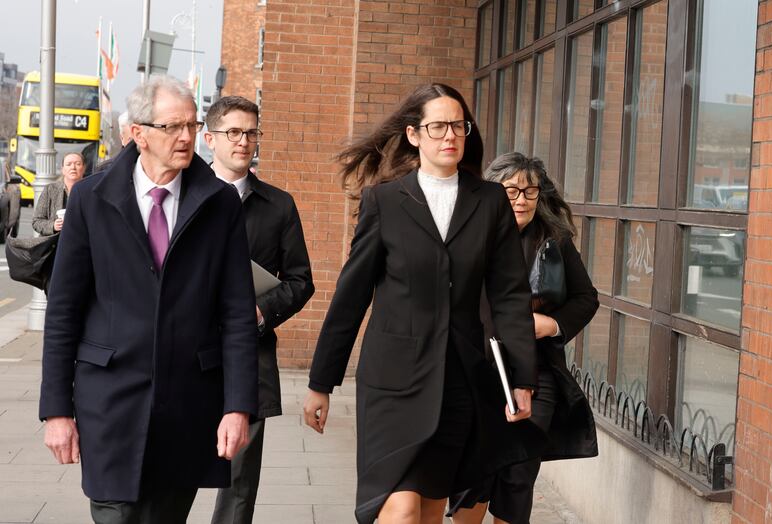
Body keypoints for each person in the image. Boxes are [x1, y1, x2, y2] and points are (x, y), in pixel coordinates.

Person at [303, 83, 544, 524]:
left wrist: (521, 377)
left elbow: (510, 296)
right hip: (392, 382)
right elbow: (351, 296)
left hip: (458, 381)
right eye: (437, 127)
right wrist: (322, 381)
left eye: (458, 125)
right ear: (414, 134)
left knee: (430, 513)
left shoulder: (490, 202)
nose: (449, 135)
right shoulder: (385, 201)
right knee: (400, 513)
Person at [38, 75, 259, 524]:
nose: (186, 137)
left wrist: (238, 407)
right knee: (115, 516)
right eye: (171, 126)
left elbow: (236, 314)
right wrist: (57, 411)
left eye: (192, 125)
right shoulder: (89, 200)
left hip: (187, 406)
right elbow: (63, 312)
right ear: (138, 133)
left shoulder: (219, 204)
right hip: (110, 404)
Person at [450, 153, 599, 524]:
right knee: (474, 476)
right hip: (477, 371)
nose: (521, 199)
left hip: (537, 372)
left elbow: (586, 298)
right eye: (511, 190)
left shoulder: (554, 241)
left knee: (518, 475)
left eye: (530, 191)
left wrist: (551, 324)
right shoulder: (466, 237)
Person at [204, 95, 315, 524]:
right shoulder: (184, 197)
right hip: (183, 355)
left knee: (238, 486)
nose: (243, 141)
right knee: (171, 475)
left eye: (251, 132)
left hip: (249, 359)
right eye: (233, 132)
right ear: (210, 138)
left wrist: (260, 311)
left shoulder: (278, 205)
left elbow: (300, 281)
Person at [32, 152, 86, 235]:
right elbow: (36, 221)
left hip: (81, 242)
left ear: (84, 168)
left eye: (78, 164)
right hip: (54, 244)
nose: (73, 167)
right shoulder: (50, 190)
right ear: (63, 169)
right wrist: (53, 226)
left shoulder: (90, 191)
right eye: (68, 164)